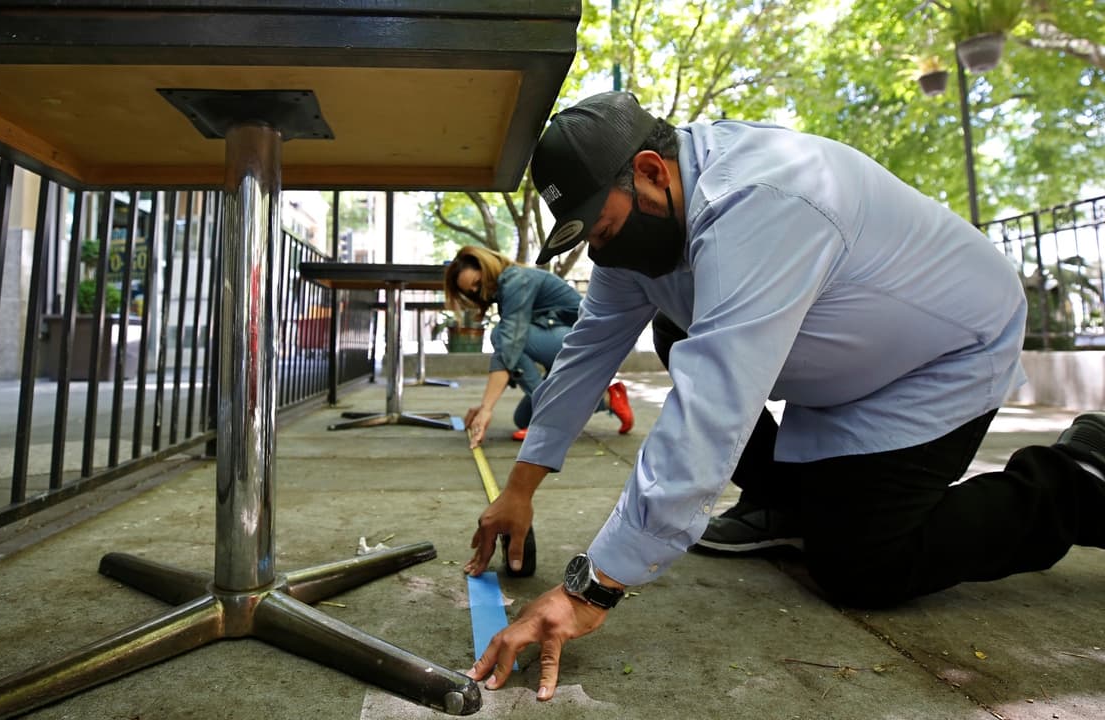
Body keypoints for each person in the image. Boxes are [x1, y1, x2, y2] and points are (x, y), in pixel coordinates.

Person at [462, 91, 1105, 701]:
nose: (605, 252)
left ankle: (1075, 480)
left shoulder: (760, 203)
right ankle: (788, 505)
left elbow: (713, 404)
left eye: (604, 230)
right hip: (846, 360)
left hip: (940, 356)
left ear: (652, 172)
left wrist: (588, 591)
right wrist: (519, 488)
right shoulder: (642, 234)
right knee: (672, 318)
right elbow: (585, 355)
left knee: (864, 567)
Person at [443, 245, 633, 445]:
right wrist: (484, 406)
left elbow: (510, 347)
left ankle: (549, 421)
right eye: (471, 291)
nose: (476, 291)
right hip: (570, 347)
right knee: (523, 418)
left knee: (502, 335)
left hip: (591, 346)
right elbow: (511, 357)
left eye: (477, 283)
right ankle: (609, 399)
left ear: (486, 267)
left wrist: (487, 408)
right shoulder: (507, 288)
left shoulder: (517, 281)